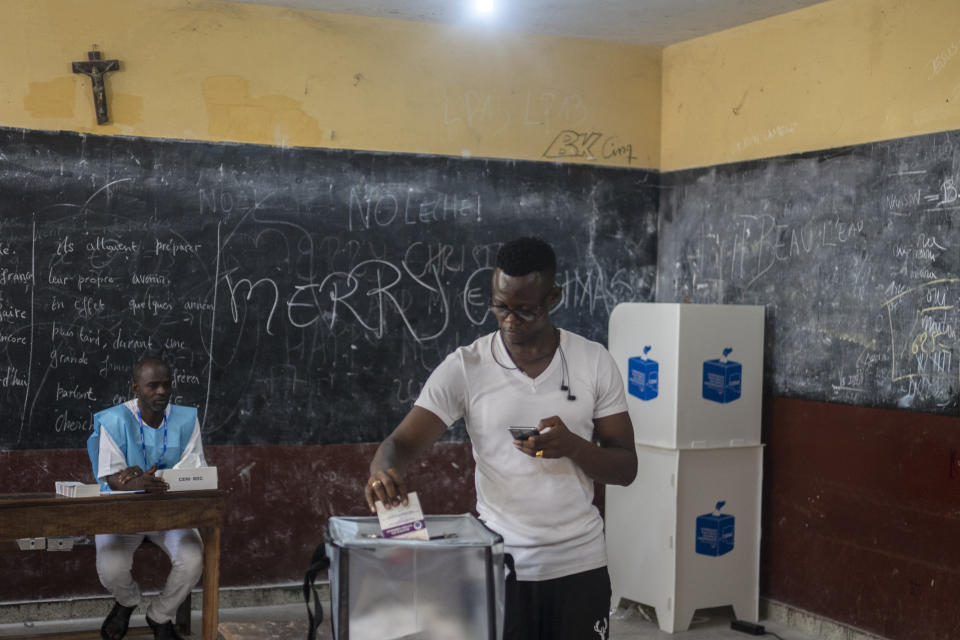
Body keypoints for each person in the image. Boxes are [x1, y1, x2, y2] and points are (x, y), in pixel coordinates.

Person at [365, 237, 637, 640]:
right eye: (501, 306)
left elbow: (626, 467)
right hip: (500, 564)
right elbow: (402, 443)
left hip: (580, 565)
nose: (510, 320)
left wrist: (573, 447)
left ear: (554, 298)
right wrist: (384, 472)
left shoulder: (592, 360)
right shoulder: (466, 366)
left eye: (525, 310)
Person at [86, 356, 206, 640]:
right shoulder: (114, 420)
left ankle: (160, 615)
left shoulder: (186, 420)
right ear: (135, 388)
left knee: (192, 558)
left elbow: (192, 471)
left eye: (166, 385)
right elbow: (112, 478)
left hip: (170, 514)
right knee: (111, 567)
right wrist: (130, 483)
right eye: (152, 386)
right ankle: (127, 602)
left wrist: (144, 481)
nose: (161, 392)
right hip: (122, 514)